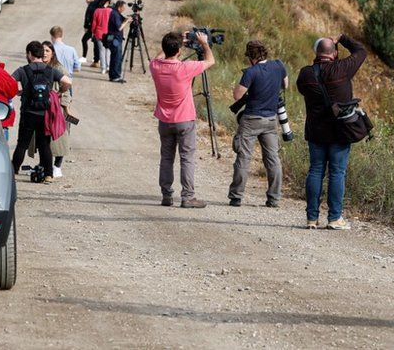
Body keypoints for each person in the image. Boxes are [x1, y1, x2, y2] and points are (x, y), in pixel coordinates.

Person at [296, 33, 367, 230]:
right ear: (334, 54)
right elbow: (361, 51)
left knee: (316, 170)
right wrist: (342, 38)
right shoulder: (342, 69)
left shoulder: (305, 74)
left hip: (316, 131)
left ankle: (312, 219)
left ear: (316, 53)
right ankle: (335, 218)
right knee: (337, 172)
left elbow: (303, 90)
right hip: (340, 131)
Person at [149, 31, 216, 208]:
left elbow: (160, 56)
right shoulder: (185, 68)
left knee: (166, 158)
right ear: (179, 50)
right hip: (184, 119)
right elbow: (210, 61)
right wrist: (204, 43)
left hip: (164, 120)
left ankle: (166, 195)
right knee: (186, 158)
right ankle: (187, 197)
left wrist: (177, 42)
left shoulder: (155, 66)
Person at [228, 41, 288, 208]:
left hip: (251, 120)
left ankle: (236, 196)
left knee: (244, 158)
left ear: (251, 57)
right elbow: (286, 85)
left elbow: (237, 96)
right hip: (271, 120)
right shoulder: (278, 65)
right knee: (273, 160)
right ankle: (274, 198)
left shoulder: (251, 72)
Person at [12, 41, 72, 182]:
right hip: (45, 113)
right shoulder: (50, 70)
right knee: (45, 144)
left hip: (28, 112)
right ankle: (49, 174)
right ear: (40, 54)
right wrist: (58, 92)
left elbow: (8, 81)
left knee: (22, 144)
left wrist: (19, 91)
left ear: (29, 54)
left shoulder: (23, 70)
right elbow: (68, 81)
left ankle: (13, 171)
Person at [106, 0, 131, 83]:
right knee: (116, 57)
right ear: (119, 7)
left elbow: (122, 20)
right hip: (114, 39)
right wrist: (127, 21)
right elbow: (119, 27)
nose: (124, 9)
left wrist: (128, 19)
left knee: (115, 57)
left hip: (113, 38)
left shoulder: (116, 13)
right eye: (123, 8)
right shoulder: (115, 14)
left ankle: (114, 75)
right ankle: (115, 76)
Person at [91, 0, 113, 75]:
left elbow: (94, 24)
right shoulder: (111, 11)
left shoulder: (96, 11)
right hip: (109, 34)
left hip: (99, 33)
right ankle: (108, 66)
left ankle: (103, 68)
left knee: (101, 50)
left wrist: (93, 32)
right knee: (109, 50)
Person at [81, 0, 99, 66]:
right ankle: (94, 58)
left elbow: (89, 17)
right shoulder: (91, 5)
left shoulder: (93, 5)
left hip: (93, 27)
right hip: (91, 27)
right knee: (86, 40)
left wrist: (86, 26)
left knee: (90, 41)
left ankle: (92, 58)